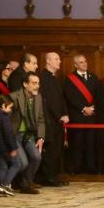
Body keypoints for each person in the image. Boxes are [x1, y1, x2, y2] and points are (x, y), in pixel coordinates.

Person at [64, 54, 101, 174]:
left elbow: (99, 95)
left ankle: (91, 168)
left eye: (85, 61)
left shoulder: (93, 77)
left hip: (91, 116)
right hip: (78, 116)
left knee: (91, 144)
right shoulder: (70, 79)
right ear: (75, 65)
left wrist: (92, 108)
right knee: (77, 144)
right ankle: (76, 168)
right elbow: (70, 97)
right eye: (81, 62)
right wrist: (84, 108)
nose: (84, 64)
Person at [9, 73, 45, 194]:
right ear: (25, 84)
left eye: (38, 83)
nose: (37, 86)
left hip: (28, 134)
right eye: (34, 83)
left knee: (36, 157)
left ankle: (25, 183)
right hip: (14, 135)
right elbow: (6, 120)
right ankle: (10, 182)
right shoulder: (14, 97)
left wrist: (41, 137)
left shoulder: (38, 97)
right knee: (23, 163)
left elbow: (40, 119)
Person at [38, 52, 70, 185]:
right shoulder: (43, 77)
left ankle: (54, 175)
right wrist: (59, 116)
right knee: (50, 151)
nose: (59, 61)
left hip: (58, 121)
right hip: (50, 121)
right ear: (48, 61)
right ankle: (47, 178)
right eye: (56, 59)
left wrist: (65, 113)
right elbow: (47, 101)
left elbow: (61, 99)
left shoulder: (54, 77)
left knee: (57, 150)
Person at [0, 95, 21, 197]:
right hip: (5, 146)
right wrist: (13, 148)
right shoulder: (4, 117)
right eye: (9, 107)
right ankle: (4, 185)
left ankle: (2, 190)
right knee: (16, 164)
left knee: (3, 166)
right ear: (3, 105)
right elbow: (8, 134)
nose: (10, 110)